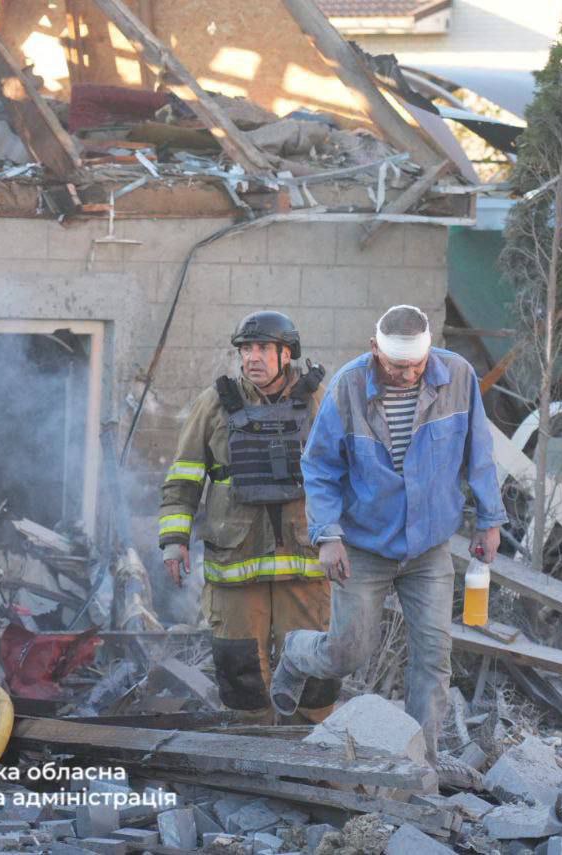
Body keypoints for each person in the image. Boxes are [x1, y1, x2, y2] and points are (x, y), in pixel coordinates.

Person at [270, 304, 507, 768]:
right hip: (364, 545)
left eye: (416, 365)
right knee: (348, 653)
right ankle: (297, 654)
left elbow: (479, 451)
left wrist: (489, 519)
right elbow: (319, 467)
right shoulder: (348, 387)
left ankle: (421, 764)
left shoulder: (456, 377)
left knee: (434, 658)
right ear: (375, 349)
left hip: (428, 548)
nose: (407, 374)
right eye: (397, 366)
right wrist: (327, 535)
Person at [159, 311, 338, 723]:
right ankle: (251, 754)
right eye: (245, 349)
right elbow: (183, 476)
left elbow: (346, 473)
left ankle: (311, 756)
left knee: (313, 669)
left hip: (305, 563)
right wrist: (174, 538)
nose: (252, 357)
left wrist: (345, 539)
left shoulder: (319, 400)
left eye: (262, 348)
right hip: (235, 561)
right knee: (239, 669)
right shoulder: (214, 403)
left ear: (286, 353)